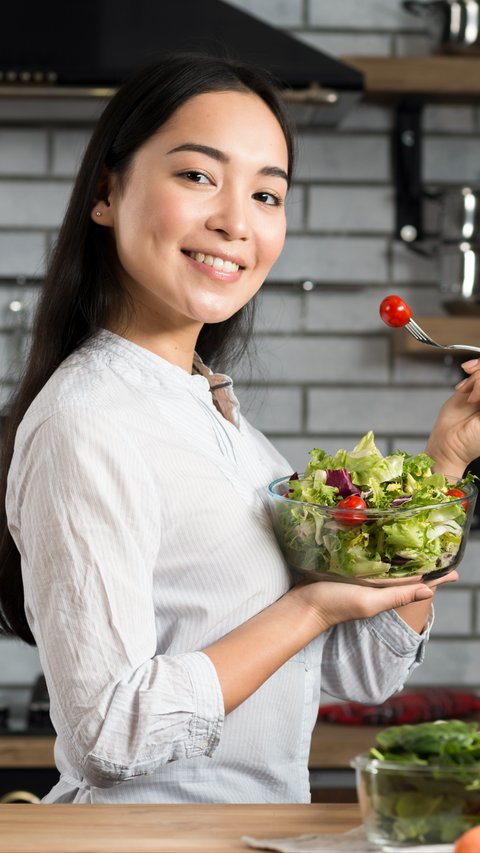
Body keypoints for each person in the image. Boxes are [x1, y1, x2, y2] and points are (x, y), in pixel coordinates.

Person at [0, 51, 477, 805]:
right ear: (105, 190)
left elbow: (363, 668)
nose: (234, 220)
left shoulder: (218, 418)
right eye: (197, 176)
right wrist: (309, 605)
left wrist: (444, 464)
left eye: (266, 192)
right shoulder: (87, 421)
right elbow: (108, 735)